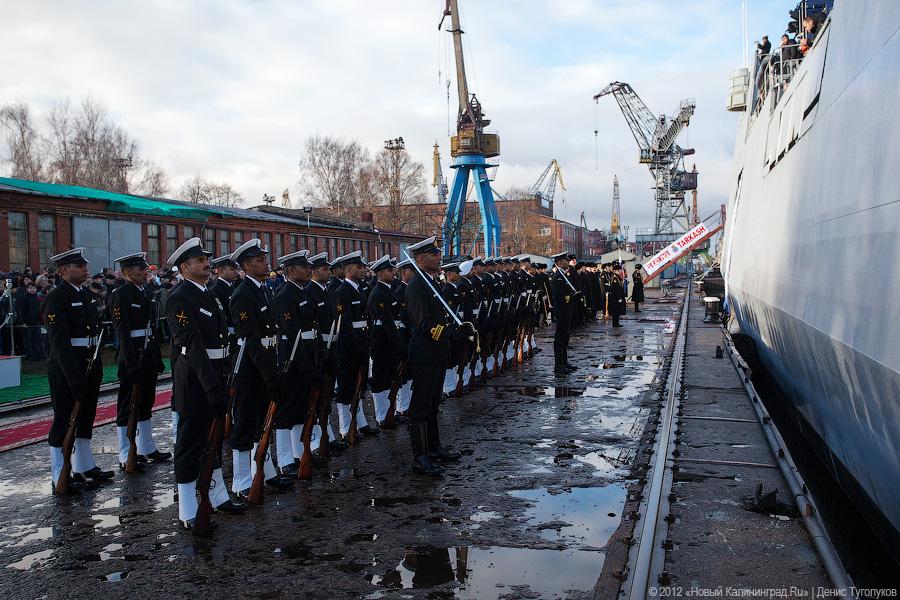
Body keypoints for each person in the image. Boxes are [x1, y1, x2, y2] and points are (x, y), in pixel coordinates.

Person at [165, 237, 245, 531]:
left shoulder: (208, 293)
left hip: (217, 373)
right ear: (185, 266)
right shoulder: (179, 297)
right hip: (196, 378)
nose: (206, 264)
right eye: (200, 260)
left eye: (206, 259)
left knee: (213, 439)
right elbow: (193, 347)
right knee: (190, 442)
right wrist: (211, 386)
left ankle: (218, 494)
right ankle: (187, 508)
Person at [42, 248, 114, 494]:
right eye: (79, 266)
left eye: (85, 265)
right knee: (64, 418)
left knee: (85, 416)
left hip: (89, 363)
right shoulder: (56, 297)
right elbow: (59, 343)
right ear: (64, 270)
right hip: (66, 367)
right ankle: (59, 473)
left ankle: (84, 466)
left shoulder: (87, 294)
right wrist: (73, 377)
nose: (85, 269)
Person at [229, 238, 293, 497]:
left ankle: (265, 471)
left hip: (266, 362)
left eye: (265, 259)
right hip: (250, 367)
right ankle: (241, 481)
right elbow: (251, 339)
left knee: (262, 423)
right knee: (245, 424)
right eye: (259, 260)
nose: (266, 264)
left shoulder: (264, 289)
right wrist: (269, 374)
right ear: (246, 265)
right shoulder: (243, 294)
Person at [404, 236, 466, 477]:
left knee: (433, 403)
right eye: (434, 254)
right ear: (421, 259)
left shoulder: (431, 282)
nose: (439, 258)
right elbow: (423, 323)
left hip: (437, 352)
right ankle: (419, 457)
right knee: (421, 406)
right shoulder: (417, 285)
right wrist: (451, 334)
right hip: (425, 353)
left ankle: (433, 447)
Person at [110, 252, 169, 472]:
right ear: (127, 272)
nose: (145, 272)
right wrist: (130, 362)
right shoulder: (120, 295)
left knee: (146, 402)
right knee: (128, 403)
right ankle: (125, 452)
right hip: (132, 354)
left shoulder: (146, 291)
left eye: (145, 268)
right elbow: (122, 332)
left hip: (148, 353)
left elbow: (152, 328)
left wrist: (157, 357)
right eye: (140, 269)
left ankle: (146, 447)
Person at [273, 250, 321, 476]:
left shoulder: (303, 291)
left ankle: (299, 453)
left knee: (302, 407)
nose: (309, 270)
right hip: (293, 358)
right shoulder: (285, 295)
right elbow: (292, 334)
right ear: (291, 270)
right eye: (304, 267)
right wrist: (306, 366)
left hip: (308, 353)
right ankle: (285, 460)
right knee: (288, 409)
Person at [332, 251, 377, 440]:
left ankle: (360, 422)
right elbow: (344, 324)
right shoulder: (342, 292)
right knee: (347, 386)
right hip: (349, 347)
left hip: (362, 342)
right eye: (359, 267)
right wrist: (356, 345)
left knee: (359, 386)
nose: (363, 270)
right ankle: (345, 428)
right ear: (348, 270)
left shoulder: (359, 289)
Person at [304, 252, 346, 454]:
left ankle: (327, 434)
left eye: (329, 269)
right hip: (319, 349)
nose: (328, 272)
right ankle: (315, 440)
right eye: (324, 269)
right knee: (316, 396)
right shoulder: (309, 291)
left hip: (331, 347)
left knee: (327, 395)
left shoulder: (326, 290)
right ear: (313, 271)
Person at [366, 256, 405, 427]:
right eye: (390, 270)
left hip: (390, 338)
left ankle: (391, 411)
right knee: (380, 378)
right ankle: (382, 415)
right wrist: (399, 344)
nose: (393, 273)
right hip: (382, 340)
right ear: (380, 273)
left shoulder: (388, 290)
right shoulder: (378, 293)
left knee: (390, 376)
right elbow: (387, 321)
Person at [392, 258, 415, 417]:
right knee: (403, 372)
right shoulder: (400, 290)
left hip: (411, 334)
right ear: (405, 272)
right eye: (412, 271)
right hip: (404, 334)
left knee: (410, 370)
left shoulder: (410, 288)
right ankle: (402, 405)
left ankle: (409, 402)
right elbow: (402, 317)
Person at [550, 251, 577, 375]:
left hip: (567, 309)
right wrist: (570, 297)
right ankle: (558, 365)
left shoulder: (564, 275)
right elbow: (558, 295)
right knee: (560, 338)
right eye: (566, 260)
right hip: (561, 310)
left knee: (565, 336)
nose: (568, 262)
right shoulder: (558, 277)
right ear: (560, 262)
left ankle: (564, 362)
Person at [19, 283, 43, 361]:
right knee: (28, 341)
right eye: (30, 288)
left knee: (37, 340)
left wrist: (40, 321)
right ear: (27, 289)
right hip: (27, 323)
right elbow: (22, 311)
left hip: (36, 323)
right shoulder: (24, 298)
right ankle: (30, 355)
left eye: (34, 288)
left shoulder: (37, 298)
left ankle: (37, 354)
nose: (33, 289)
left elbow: (39, 311)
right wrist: (23, 322)